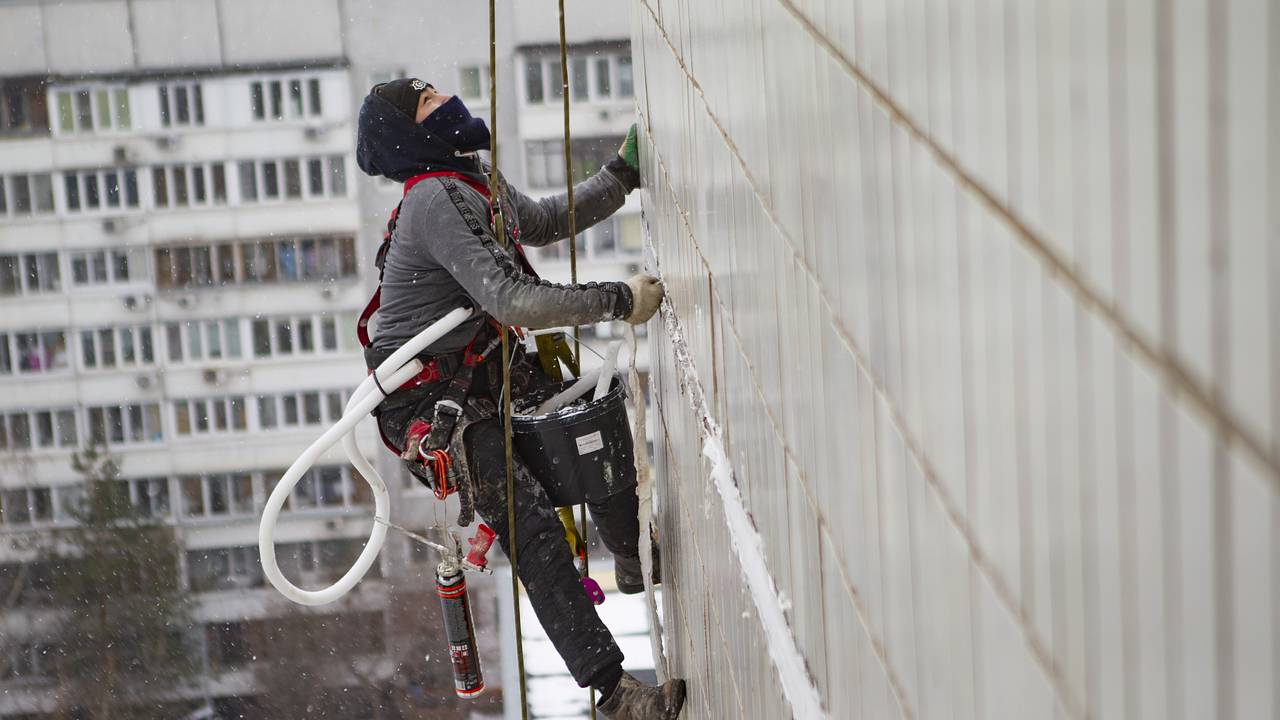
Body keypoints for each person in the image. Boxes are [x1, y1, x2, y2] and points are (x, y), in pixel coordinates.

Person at [356, 78, 686, 720]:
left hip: (481, 369)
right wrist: (616, 300)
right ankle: (615, 693)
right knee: (530, 526)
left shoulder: (470, 176)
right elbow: (512, 301)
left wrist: (621, 175)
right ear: (412, 133)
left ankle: (628, 553)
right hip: (430, 404)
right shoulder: (432, 200)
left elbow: (538, 223)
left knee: (592, 412)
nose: (445, 99)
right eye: (428, 101)